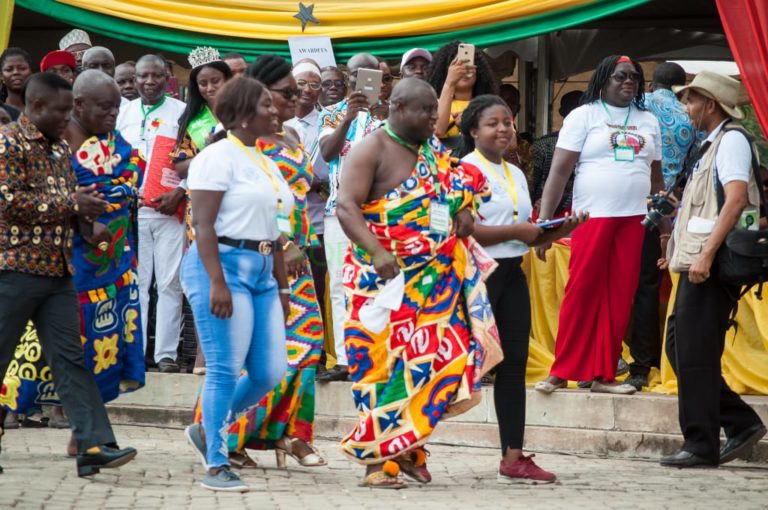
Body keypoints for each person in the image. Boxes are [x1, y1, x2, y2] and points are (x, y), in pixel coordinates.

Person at [336, 78, 501, 488]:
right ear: (397, 107)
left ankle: (407, 448)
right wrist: (376, 251)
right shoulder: (370, 149)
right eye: (426, 111)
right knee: (380, 368)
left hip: (434, 280)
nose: (434, 117)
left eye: (435, 110)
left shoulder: (431, 150)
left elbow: (458, 188)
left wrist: (464, 210)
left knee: (441, 361)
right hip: (381, 282)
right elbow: (345, 206)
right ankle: (377, 463)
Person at [2, 70, 147, 453]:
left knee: (73, 360)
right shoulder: (8, 144)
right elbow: (8, 201)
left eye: (71, 111)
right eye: (63, 111)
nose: (68, 119)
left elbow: (70, 203)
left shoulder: (59, 148)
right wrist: (74, 206)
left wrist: (87, 226)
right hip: (15, 269)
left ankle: (92, 447)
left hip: (62, 271)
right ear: (37, 106)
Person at [196, 53, 326, 469]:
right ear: (260, 94)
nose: (294, 99)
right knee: (242, 355)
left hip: (294, 260)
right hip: (261, 259)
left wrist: (296, 247)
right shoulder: (235, 144)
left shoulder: (290, 137)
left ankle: (291, 433)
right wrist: (283, 246)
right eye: (287, 92)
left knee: (305, 349)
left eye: (298, 91)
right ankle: (226, 437)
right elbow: (212, 217)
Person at [457, 94, 587, 484]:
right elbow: (466, 228)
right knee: (449, 365)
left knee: (513, 368)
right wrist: (520, 231)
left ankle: (513, 457)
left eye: (507, 122)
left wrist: (563, 228)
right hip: (476, 277)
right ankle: (410, 448)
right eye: (493, 123)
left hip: (512, 273)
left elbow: (526, 235)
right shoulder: (465, 170)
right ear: (473, 131)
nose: (503, 129)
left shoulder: (514, 173)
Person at [182, 76, 291, 492]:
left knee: (269, 371)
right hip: (222, 266)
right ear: (244, 113)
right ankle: (216, 463)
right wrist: (217, 282)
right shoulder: (217, 156)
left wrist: (281, 289)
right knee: (225, 368)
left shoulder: (261, 156)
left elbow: (274, 229)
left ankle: (210, 428)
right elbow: (203, 224)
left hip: (262, 270)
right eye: (266, 105)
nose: (275, 110)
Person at [535, 55, 665, 395]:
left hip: (635, 218)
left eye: (635, 76)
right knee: (582, 290)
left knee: (620, 295)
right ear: (603, 79)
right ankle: (561, 370)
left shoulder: (648, 120)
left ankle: (602, 374)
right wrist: (546, 225)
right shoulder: (584, 115)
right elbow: (559, 173)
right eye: (621, 76)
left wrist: (665, 227)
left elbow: (656, 178)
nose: (629, 81)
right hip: (592, 217)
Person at [659, 71, 766, 468]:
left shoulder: (731, 141)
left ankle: (700, 443)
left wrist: (704, 255)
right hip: (699, 259)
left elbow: (737, 201)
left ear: (710, 104)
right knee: (681, 347)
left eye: (691, 101)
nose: (686, 109)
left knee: (695, 353)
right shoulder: (712, 145)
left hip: (712, 263)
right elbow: (709, 206)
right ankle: (739, 422)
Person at [624, 63, 696, 391]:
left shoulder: (639, 107)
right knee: (651, 288)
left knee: (619, 284)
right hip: (668, 212)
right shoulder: (690, 114)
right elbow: (692, 170)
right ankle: (648, 362)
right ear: (682, 86)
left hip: (628, 206)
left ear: (651, 82)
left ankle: (613, 357)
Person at [117, 54, 187, 373]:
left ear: (166, 78)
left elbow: (192, 156)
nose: (147, 82)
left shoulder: (181, 112)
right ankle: (137, 353)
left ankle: (166, 354)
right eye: (142, 76)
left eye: (155, 76)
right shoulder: (123, 111)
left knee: (170, 282)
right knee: (138, 283)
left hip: (170, 209)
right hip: (132, 210)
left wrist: (180, 192)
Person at [317, 53, 383, 382]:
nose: (361, 80)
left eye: (368, 74)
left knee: (376, 283)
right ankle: (345, 359)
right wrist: (348, 116)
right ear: (347, 79)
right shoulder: (331, 114)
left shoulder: (388, 118)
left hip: (378, 214)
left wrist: (378, 114)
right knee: (340, 286)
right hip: (337, 213)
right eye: (355, 74)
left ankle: (373, 355)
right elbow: (327, 153)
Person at [283, 60, 329, 335]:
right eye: (302, 83)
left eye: (315, 84)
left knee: (317, 284)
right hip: (286, 221)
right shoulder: (280, 122)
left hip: (318, 218)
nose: (308, 90)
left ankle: (319, 353)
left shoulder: (327, 120)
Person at [428, 41, 497, 148]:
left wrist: (471, 124)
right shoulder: (432, 104)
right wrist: (449, 83)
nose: (463, 70)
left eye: (468, 64)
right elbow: (437, 130)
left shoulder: (491, 106)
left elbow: (510, 144)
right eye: (457, 65)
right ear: (446, 70)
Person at [532, 90, 583, 217]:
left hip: (579, 213)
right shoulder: (543, 145)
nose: (577, 113)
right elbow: (532, 184)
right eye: (574, 108)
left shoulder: (543, 144)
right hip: (543, 212)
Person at [1, 47, 33, 116]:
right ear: (1, 76)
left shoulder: (42, 109)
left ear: (31, 71)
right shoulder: (1, 111)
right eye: (9, 69)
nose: (16, 72)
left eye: (22, 68)